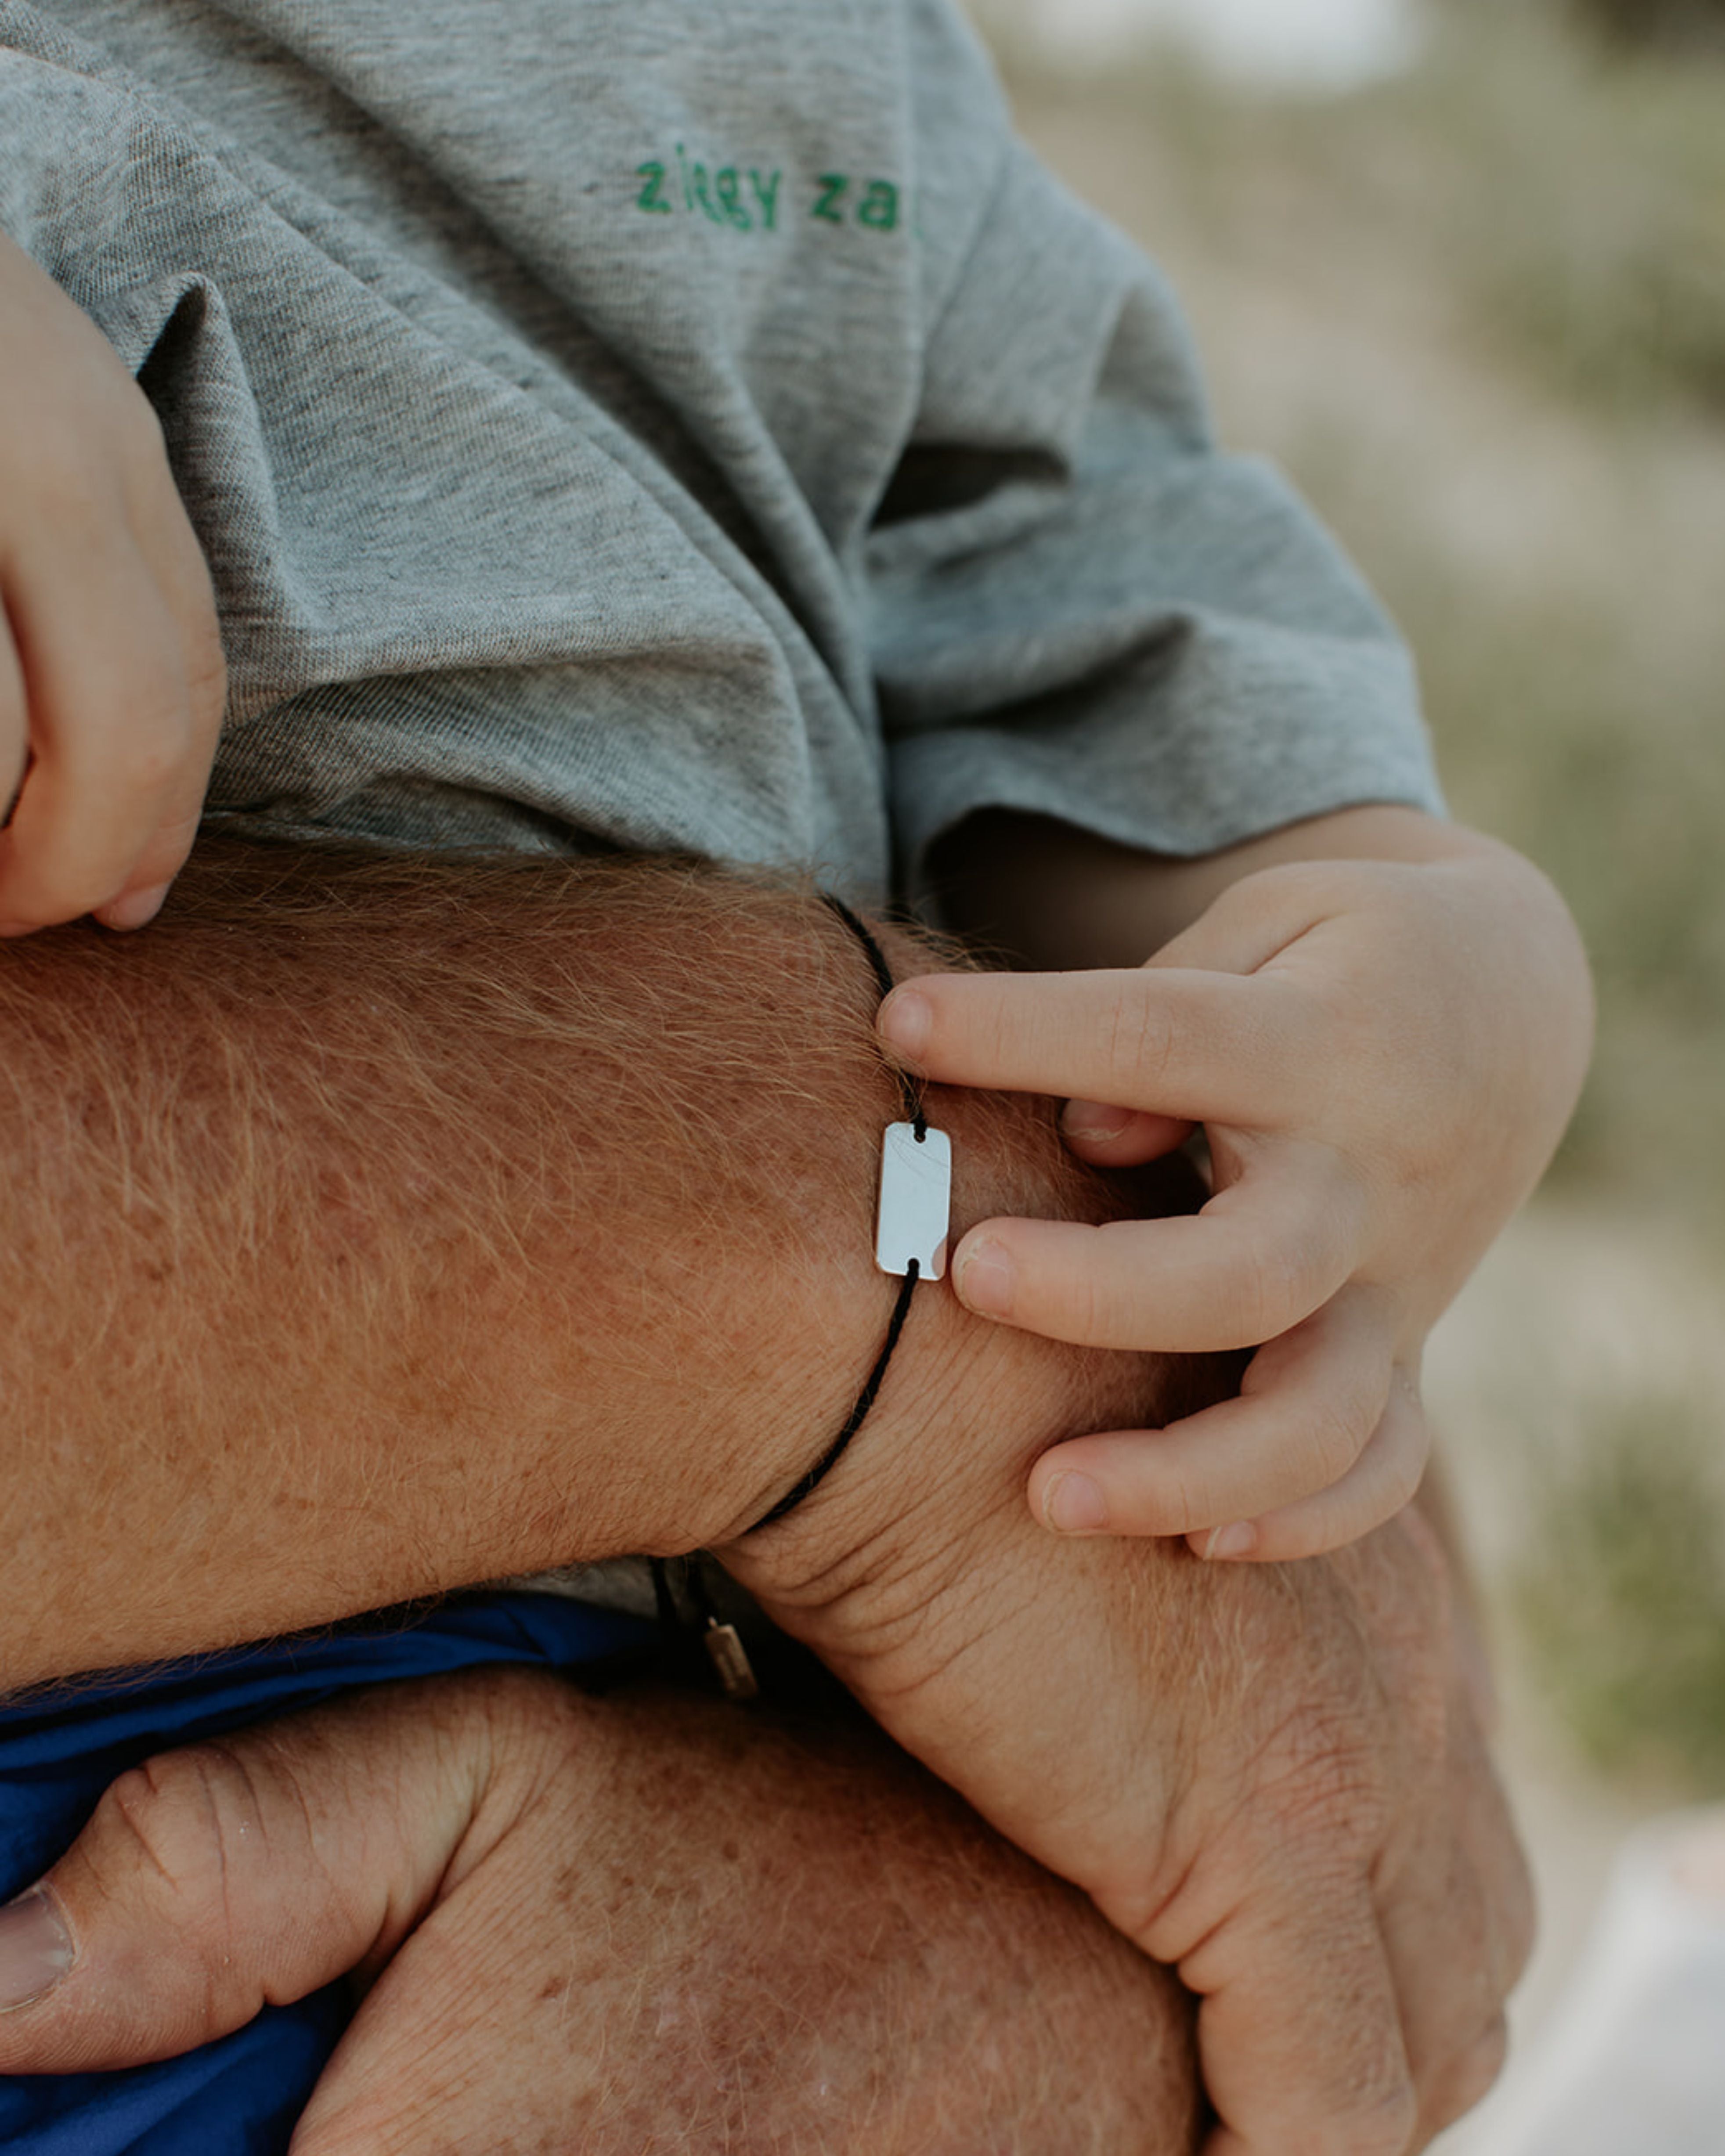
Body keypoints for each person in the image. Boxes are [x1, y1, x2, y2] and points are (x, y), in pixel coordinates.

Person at [0, 0, 1585, 2145]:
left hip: (739, 1683)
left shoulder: (839, 67)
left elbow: (1087, 615)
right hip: (125, 1677)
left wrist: (1409, 947)